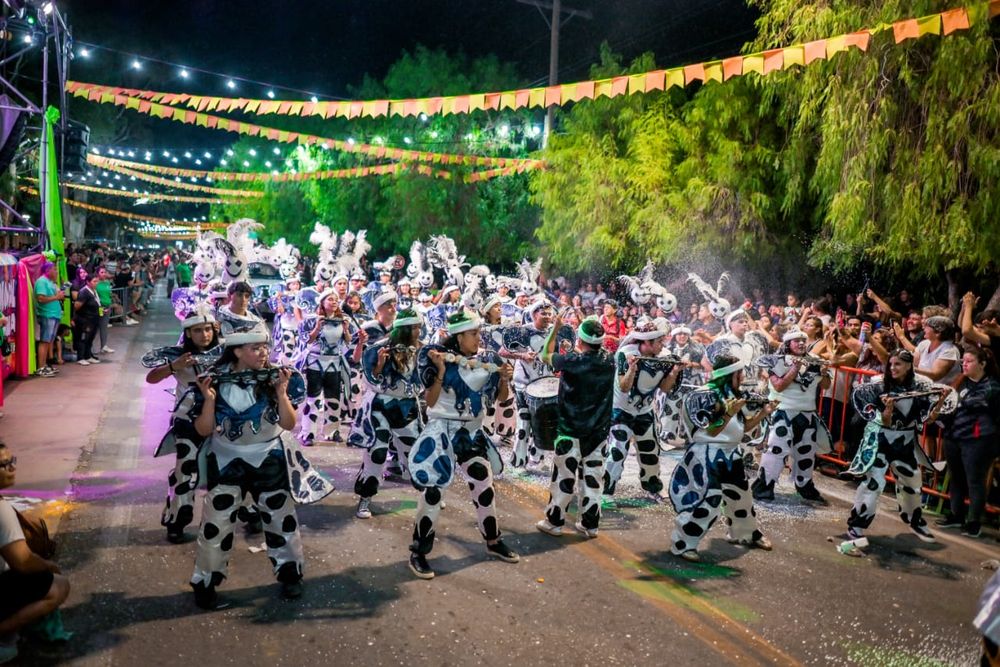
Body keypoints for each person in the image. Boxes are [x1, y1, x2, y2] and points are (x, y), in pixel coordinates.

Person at [189, 322, 333, 609]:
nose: (264, 353)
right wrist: (208, 401)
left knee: (281, 517)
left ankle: (290, 574)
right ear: (238, 351)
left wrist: (280, 393)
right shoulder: (212, 381)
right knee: (215, 523)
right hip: (227, 460)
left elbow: (289, 424)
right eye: (256, 348)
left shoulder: (278, 376)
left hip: (270, 458)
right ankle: (206, 582)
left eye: (265, 347)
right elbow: (204, 430)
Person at [407, 311, 518, 579]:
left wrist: (504, 378)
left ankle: (493, 541)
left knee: (484, 486)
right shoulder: (436, 358)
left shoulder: (488, 360)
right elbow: (430, 402)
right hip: (441, 430)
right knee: (433, 493)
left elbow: (501, 398)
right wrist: (442, 372)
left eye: (479, 333)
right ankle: (418, 552)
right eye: (474, 334)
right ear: (458, 336)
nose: (479, 338)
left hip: (471, 432)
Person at [668, 353, 774, 562]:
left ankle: (744, 534)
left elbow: (742, 429)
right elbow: (711, 431)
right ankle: (682, 543)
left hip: (730, 453)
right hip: (706, 454)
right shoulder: (705, 395)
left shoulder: (731, 393)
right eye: (740, 373)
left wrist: (765, 412)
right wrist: (728, 412)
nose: (743, 377)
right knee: (708, 500)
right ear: (730, 374)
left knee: (741, 497)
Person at [844, 350, 950, 545]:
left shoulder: (922, 385)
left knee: (913, 483)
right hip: (881, 440)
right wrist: (888, 409)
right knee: (873, 484)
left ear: (909, 365)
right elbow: (883, 420)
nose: (892, 368)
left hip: (905, 442)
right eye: (890, 364)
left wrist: (941, 399)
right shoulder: (878, 385)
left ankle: (914, 519)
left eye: (898, 364)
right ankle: (856, 525)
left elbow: (929, 418)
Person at [143, 304, 221, 543]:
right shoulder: (177, 355)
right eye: (197, 330)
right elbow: (151, 377)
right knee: (185, 471)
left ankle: (240, 518)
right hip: (187, 419)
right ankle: (176, 521)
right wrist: (173, 367)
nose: (204, 335)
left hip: (222, 420)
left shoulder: (227, 351)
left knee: (228, 470)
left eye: (208, 329)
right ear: (188, 333)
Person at [535, 314, 615, 538]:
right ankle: (590, 525)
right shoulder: (610, 361)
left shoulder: (572, 361)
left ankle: (554, 522)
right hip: (598, 432)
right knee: (593, 478)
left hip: (570, 429)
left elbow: (544, 355)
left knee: (563, 477)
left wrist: (556, 329)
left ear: (580, 341)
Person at [0, 440, 71, 664]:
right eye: (5, 464)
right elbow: (22, 561)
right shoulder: (1, 511)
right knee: (59, 585)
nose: (12, 468)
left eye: (12, 461)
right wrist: (48, 566)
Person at [353, 309, 423, 519]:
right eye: (415, 327)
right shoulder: (379, 348)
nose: (419, 331)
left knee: (414, 452)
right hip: (380, 408)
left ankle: (427, 492)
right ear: (405, 329)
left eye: (419, 326)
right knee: (377, 453)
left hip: (407, 408)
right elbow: (370, 379)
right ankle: (365, 498)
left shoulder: (422, 349)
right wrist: (380, 366)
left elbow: (424, 378)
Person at [751, 330, 833, 504]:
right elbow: (779, 386)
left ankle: (805, 486)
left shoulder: (815, 361)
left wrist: (824, 373)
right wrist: (795, 368)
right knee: (776, 451)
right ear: (788, 343)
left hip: (808, 414)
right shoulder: (776, 360)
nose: (801, 343)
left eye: (804, 340)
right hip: (782, 412)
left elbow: (825, 385)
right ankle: (764, 486)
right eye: (797, 341)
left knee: (806, 453)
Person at [603, 321, 681, 501]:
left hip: (645, 411)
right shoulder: (626, 354)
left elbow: (665, 388)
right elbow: (624, 387)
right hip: (620, 410)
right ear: (647, 342)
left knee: (650, 451)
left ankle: (652, 487)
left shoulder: (665, 357)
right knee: (617, 450)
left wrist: (674, 372)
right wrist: (632, 368)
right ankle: (606, 490)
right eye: (659, 342)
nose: (663, 345)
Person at [937, 346, 1000, 538]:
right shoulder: (960, 383)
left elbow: (973, 403)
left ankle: (974, 522)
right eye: (963, 361)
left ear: (982, 364)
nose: (964, 364)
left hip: (978, 439)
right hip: (954, 436)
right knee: (956, 477)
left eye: (969, 361)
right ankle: (956, 515)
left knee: (975, 480)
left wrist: (953, 402)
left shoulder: (992, 386)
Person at [297, 290, 366, 445]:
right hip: (315, 363)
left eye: (336, 300)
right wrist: (316, 328)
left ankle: (332, 431)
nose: (334, 302)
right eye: (330, 299)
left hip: (334, 364)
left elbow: (348, 342)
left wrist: (348, 330)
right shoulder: (310, 320)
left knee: (333, 399)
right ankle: (307, 433)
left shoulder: (343, 321)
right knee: (313, 400)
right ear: (322, 302)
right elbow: (306, 341)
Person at [509, 300, 558, 467]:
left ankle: (536, 458)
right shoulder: (523, 331)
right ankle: (519, 459)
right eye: (543, 313)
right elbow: (503, 350)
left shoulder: (554, 331)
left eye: (549, 313)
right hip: (523, 384)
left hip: (546, 386)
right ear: (534, 314)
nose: (547, 316)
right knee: (524, 421)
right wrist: (522, 355)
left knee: (542, 421)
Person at [33, 261, 65, 378]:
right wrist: (56, 297)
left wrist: (59, 295)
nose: (56, 272)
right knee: (44, 340)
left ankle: (45, 365)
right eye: (55, 270)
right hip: (47, 315)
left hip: (54, 315)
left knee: (48, 341)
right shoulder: (42, 282)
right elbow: (41, 298)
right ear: (48, 270)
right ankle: (41, 367)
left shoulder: (50, 282)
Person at [73, 274, 102, 366]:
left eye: (97, 281)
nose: (96, 283)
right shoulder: (84, 292)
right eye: (94, 281)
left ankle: (88, 355)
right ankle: (80, 357)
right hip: (85, 320)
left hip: (93, 319)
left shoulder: (94, 291)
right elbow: (77, 306)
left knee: (90, 339)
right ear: (88, 282)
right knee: (83, 339)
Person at [95, 267, 115, 355]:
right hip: (100, 307)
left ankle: (104, 346)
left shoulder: (107, 282)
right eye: (102, 272)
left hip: (108, 306)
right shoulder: (95, 283)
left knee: (104, 326)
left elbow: (109, 294)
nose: (104, 274)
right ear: (97, 274)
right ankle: (92, 347)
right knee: (96, 326)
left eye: (105, 272)